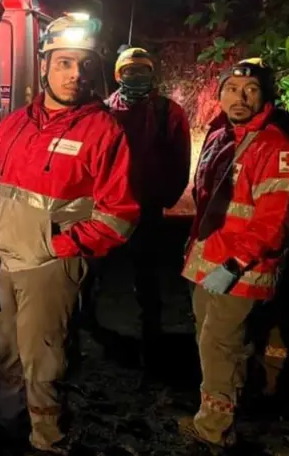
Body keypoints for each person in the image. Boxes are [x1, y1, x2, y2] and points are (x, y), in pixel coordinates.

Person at [0, 13, 139, 453]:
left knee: (44, 358)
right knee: (3, 348)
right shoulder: (15, 124)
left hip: (53, 265)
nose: (74, 74)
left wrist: (56, 246)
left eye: (83, 65)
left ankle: (48, 439)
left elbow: (119, 214)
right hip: (5, 259)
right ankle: (6, 421)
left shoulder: (104, 131)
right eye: (63, 62)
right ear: (43, 65)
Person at [177, 58, 289, 448]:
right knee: (209, 340)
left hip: (240, 269)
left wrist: (234, 264)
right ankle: (217, 411)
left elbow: (273, 220)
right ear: (221, 94)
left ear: (265, 96)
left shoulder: (274, 145)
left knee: (219, 344)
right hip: (208, 260)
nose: (240, 97)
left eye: (250, 90)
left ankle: (215, 428)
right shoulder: (221, 136)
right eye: (231, 89)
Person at [93, 47, 191, 364]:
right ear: (118, 75)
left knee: (145, 269)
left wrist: (166, 198)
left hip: (145, 204)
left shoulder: (168, 112)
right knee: (95, 267)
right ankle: (90, 326)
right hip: (105, 204)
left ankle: (151, 331)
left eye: (142, 70)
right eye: (129, 71)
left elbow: (180, 160)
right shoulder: (102, 112)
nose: (136, 77)